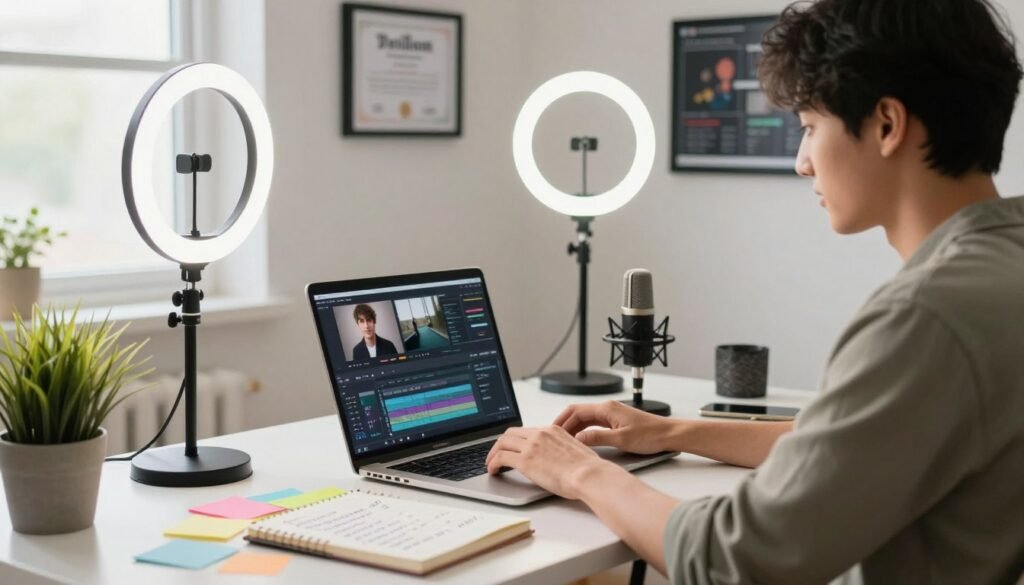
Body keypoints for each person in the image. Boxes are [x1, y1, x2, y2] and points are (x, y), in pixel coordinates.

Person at [486, 0, 1024, 582]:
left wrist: (579, 473)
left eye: (811, 129)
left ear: (887, 125)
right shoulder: (1002, 269)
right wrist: (672, 433)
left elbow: (734, 560)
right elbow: (850, 447)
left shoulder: (926, 318)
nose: (802, 163)